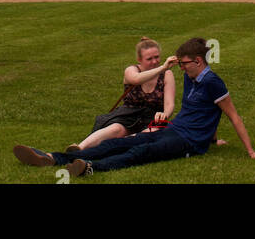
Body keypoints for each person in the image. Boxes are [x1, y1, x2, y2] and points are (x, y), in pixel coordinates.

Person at [14, 36, 255, 175]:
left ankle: (89, 167)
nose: (181, 67)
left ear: (198, 61)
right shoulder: (189, 75)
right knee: (118, 142)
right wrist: (213, 138)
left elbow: (231, 115)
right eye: (150, 58)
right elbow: (203, 110)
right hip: (171, 129)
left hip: (187, 141)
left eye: (185, 63)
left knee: (139, 153)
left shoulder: (212, 82)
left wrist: (250, 151)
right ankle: (52, 158)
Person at [18, 39, 177, 160]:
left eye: (157, 57)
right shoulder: (131, 70)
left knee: (151, 131)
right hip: (129, 113)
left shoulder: (167, 75)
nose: (155, 61)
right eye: (149, 59)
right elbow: (136, 80)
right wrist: (162, 67)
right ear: (139, 59)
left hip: (154, 116)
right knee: (116, 129)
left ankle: (112, 149)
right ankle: (79, 148)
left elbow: (169, 104)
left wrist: (164, 114)